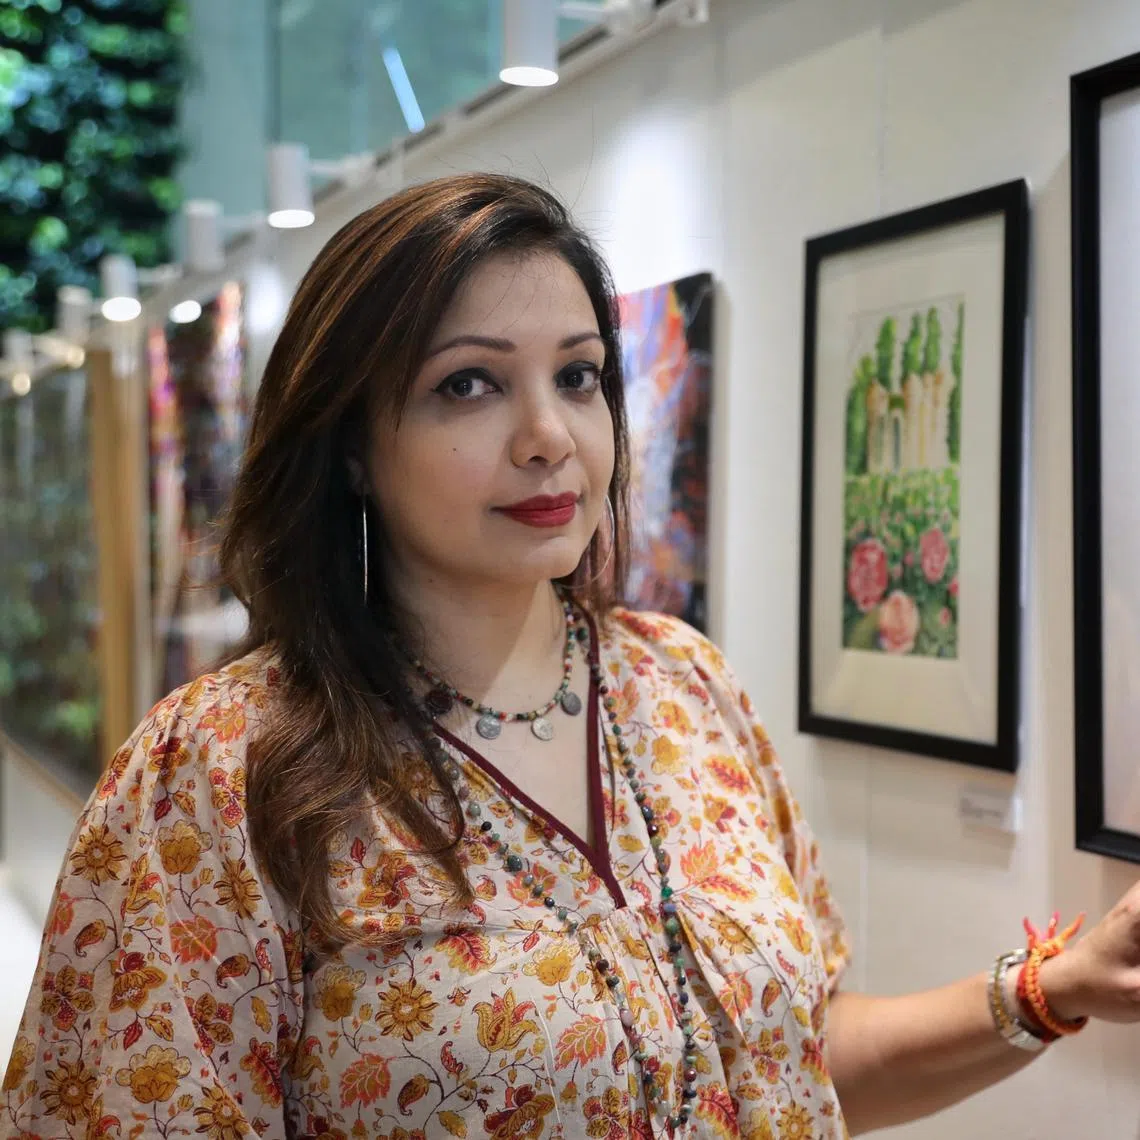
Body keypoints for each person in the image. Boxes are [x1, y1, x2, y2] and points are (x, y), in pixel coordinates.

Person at [3, 174, 1138, 1140]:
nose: (549, 434)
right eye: (470, 384)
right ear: (352, 443)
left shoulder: (684, 687)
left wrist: (1051, 989)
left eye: (580, 375)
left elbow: (791, 1058)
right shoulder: (219, 769)